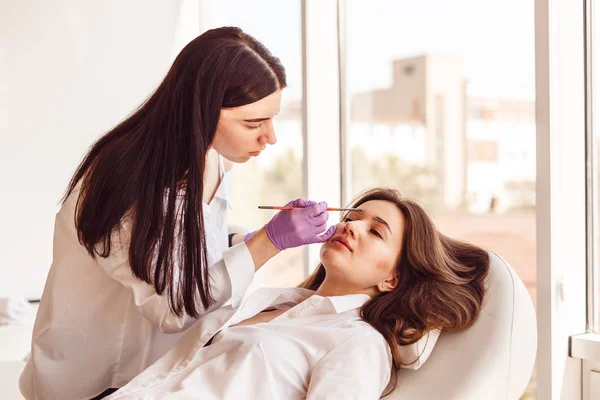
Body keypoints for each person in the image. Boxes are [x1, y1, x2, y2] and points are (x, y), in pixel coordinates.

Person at [19, 27, 336, 400]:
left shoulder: (212, 156)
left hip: (160, 376)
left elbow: (191, 240)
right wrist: (268, 242)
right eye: (253, 123)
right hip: (96, 383)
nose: (270, 137)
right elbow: (174, 308)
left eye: (272, 118)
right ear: (199, 111)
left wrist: (237, 242)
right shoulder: (126, 181)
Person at [104, 188, 491, 400]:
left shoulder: (360, 341)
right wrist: (261, 240)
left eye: (376, 232)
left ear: (392, 280)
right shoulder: (274, 301)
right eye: (352, 217)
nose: (352, 227)